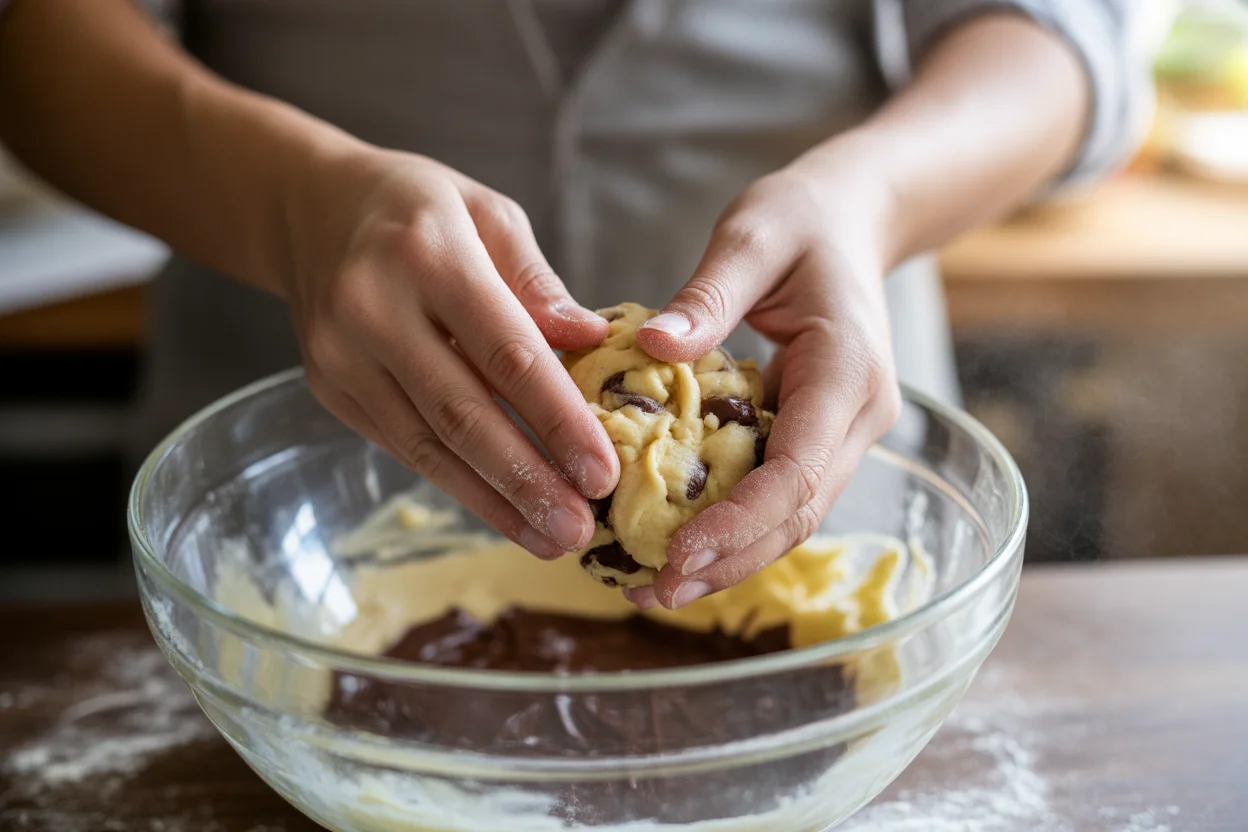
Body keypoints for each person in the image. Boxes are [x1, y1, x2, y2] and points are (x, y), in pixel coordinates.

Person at [0, 0, 1148, 610]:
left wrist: (869, 198)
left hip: (836, 510)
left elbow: (1066, 33)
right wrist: (293, 209)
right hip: (292, 550)